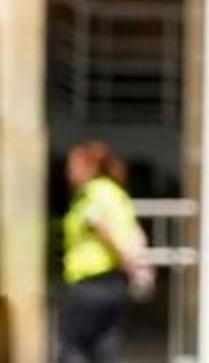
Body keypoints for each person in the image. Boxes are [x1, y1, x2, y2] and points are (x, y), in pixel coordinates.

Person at [58, 140, 152, 363]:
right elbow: (135, 232)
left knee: (73, 347)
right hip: (116, 284)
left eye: (73, 167)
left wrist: (127, 262)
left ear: (90, 168)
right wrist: (141, 267)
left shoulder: (91, 193)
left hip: (90, 282)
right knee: (104, 346)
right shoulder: (117, 193)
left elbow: (101, 226)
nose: (68, 173)